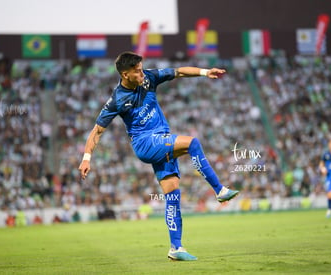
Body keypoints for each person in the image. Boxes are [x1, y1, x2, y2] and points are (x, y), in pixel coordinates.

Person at [78, 52, 239, 261]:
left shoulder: (149, 78)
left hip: (160, 141)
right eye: (137, 71)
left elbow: (179, 72)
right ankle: (219, 190)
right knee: (193, 143)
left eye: (142, 68)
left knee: (172, 196)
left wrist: (205, 72)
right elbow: (97, 131)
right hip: (145, 143)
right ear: (125, 75)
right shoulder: (116, 100)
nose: (142, 73)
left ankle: (176, 248)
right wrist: (86, 158)